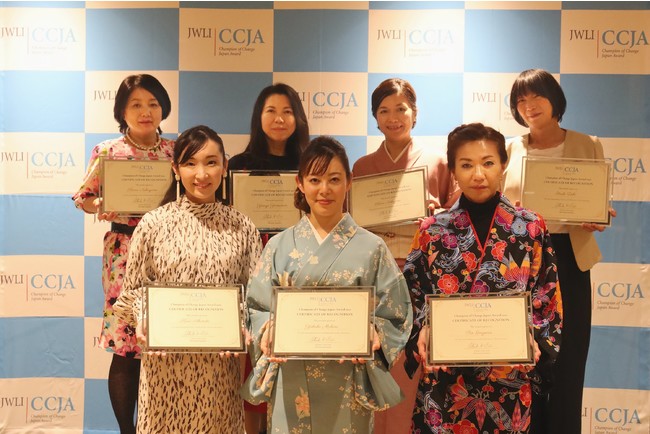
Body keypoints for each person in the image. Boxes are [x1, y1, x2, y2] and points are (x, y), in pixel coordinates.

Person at [241, 136, 413, 434]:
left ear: (349, 181)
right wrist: (267, 328)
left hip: (349, 380)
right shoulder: (279, 246)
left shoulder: (372, 248)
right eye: (314, 180)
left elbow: (396, 312)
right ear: (300, 183)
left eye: (334, 179)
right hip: (291, 377)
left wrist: (375, 331)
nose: (324, 189)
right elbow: (255, 307)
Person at [404, 123, 562, 433]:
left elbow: (547, 293)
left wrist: (532, 337)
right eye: (466, 165)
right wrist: (423, 329)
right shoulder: (431, 231)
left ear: (503, 165)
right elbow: (411, 295)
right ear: (453, 171)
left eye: (488, 163)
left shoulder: (531, 227)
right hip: (447, 378)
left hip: (509, 374)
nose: (478, 174)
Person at [112, 125, 263, 433]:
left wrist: (241, 325)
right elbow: (130, 294)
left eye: (211, 162)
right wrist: (144, 318)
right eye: (190, 163)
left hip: (218, 372)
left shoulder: (243, 227)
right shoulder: (153, 224)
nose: (201, 174)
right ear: (176, 169)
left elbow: (255, 298)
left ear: (224, 166)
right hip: (163, 370)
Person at [502, 69, 615, 434]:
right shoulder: (509, 149)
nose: (529, 106)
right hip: (522, 261)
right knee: (525, 357)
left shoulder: (588, 144)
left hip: (570, 259)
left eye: (537, 97)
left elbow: (597, 201)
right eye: (521, 100)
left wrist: (598, 216)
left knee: (569, 359)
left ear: (555, 100)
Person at [352, 77, 458, 434]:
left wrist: (437, 216)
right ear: (375, 117)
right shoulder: (362, 167)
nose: (393, 117)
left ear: (415, 113)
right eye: (384, 111)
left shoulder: (438, 161)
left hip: (420, 276)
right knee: (377, 363)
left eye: (401, 109)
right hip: (376, 277)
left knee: (413, 371)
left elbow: (457, 219)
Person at [72, 73, 174, 434]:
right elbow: (83, 198)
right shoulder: (107, 151)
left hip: (167, 252)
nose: (146, 112)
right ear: (122, 111)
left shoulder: (176, 152)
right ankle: (126, 430)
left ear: (163, 108)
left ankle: (158, 425)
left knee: (164, 340)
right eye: (136, 104)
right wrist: (101, 203)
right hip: (124, 253)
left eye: (153, 104)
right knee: (126, 345)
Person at [229, 82, 309, 434]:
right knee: (255, 362)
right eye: (271, 111)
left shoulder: (309, 163)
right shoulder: (239, 165)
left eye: (287, 111)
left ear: (298, 118)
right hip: (253, 271)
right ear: (258, 117)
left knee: (295, 359)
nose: (279, 119)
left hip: (299, 271)